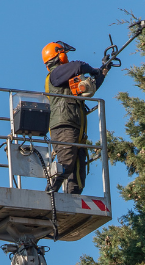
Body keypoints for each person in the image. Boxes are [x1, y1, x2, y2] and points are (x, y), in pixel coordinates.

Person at [41, 41, 105, 194]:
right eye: (65, 53)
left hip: (76, 128)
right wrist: (93, 70)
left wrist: (103, 71)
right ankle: (49, 193)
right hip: (64, 126)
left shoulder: (65, 78)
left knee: (77, 175)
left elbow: (89, 87)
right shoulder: (55, 74)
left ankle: (72, 199)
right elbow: (78, 65)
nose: (67, 57)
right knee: (66, 162)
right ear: (58, 55)